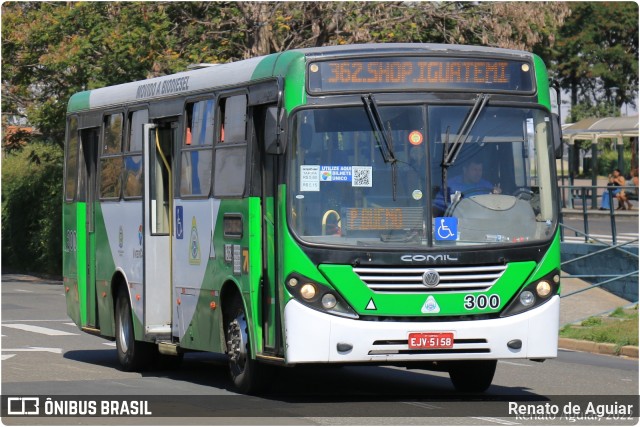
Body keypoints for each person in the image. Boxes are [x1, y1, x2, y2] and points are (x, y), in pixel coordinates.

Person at [434, 159, 499, 214]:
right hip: (457, 222)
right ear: (465, 170)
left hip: (482, 221)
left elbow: (496, 207)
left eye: (480, 170)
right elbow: (438, 207)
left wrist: (497, 195)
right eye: (474, 170)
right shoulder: (450, 185)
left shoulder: (487, 186)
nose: (478, 173)